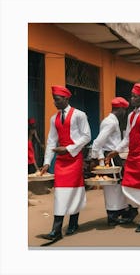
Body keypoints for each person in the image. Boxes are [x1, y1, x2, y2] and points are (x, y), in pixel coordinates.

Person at [106, 83, 140, 232]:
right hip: (133, 153)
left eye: (135, 96)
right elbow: (128, 138)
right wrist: (116, 151)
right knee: (128, 184)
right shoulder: (131, 115)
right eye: (132, 96)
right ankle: (133, 210)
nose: (132, 99)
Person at [40, 85, 91, 244]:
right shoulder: (53, 118)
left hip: (74, 159)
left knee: (74, 191)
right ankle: (56, 230)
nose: (55, 102)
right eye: (54, 99)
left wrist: (68, 149)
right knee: (60, 193)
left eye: (57, 99)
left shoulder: (79, 115)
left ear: (66, 99)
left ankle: (73, 223)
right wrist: (47, 162)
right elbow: (51, 141)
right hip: (61, 161)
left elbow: (87, 136)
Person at [91, 97, 131, 226]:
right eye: (124, 110)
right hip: (111, 157)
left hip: (113, 156)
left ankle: (119, 211)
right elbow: (98, 142)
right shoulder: (111, 123)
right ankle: (112, 216)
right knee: (113, 187)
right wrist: (97, 159)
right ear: (119, 109)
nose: (124, 113)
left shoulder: (110, 120)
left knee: (117, 185)